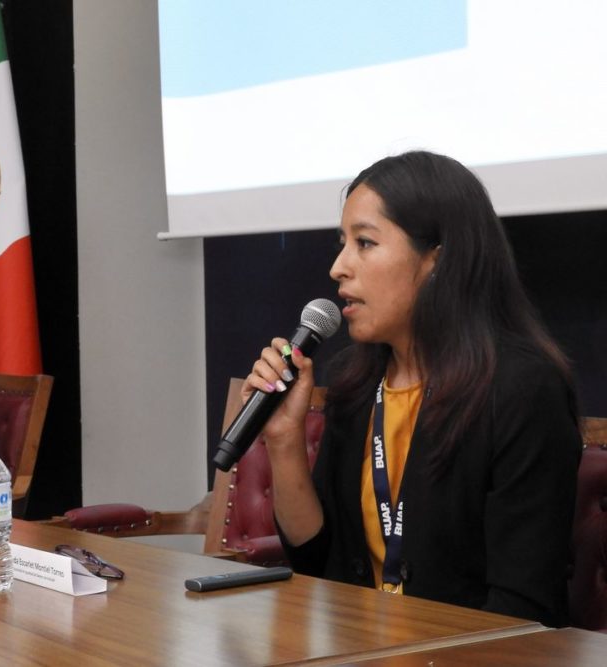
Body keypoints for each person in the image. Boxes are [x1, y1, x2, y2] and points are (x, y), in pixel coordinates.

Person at [244, 151, 582, 627]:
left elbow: (522, 609)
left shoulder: (522, 390)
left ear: (437, 261)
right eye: (342, 243)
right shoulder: (359, 386)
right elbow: (317, 562)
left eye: (364, 243)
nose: (338, 267)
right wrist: (283, 440)